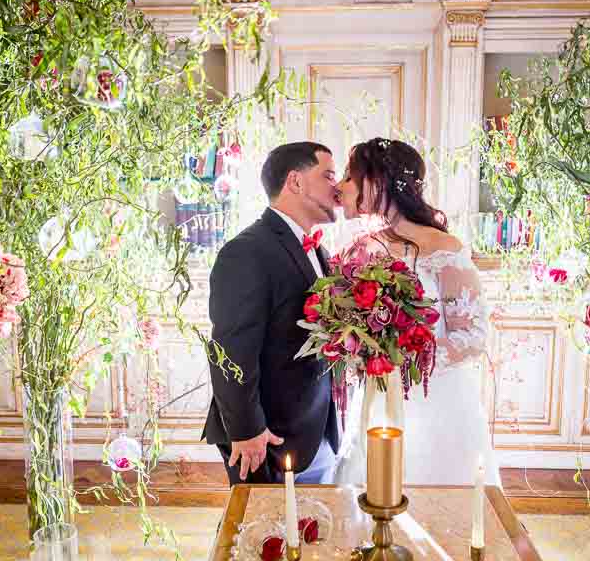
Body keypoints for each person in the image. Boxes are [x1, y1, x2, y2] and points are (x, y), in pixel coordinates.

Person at [332, 137, 502, 486]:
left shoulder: (444, 248)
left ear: (378, 182)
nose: (341, 186)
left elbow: (473, 336)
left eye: (351, 176)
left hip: (438, 398)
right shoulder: (359, 249)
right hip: (377, 398)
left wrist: (407, 359)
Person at [203, 141, 342, 485]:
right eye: (328, 176)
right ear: (295, 181)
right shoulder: (247, 251)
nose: (336, 188)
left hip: (314, 429)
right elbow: (230, 351)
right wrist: (248, 429)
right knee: (260, 533)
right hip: (266, 439)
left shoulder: (319, 251)